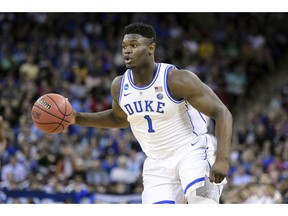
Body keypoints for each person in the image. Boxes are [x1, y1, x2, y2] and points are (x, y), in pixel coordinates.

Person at [70, 22, 233, 204]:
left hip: (192, 151)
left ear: (151, 48)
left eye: (134, 45)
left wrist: (222, 159)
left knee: (201, 203)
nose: (127, 51)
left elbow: (221, 112)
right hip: (156, 164)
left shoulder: (176, 79)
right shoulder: (119, 86)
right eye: (124, 46)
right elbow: (120, 119)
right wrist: (77, 118)